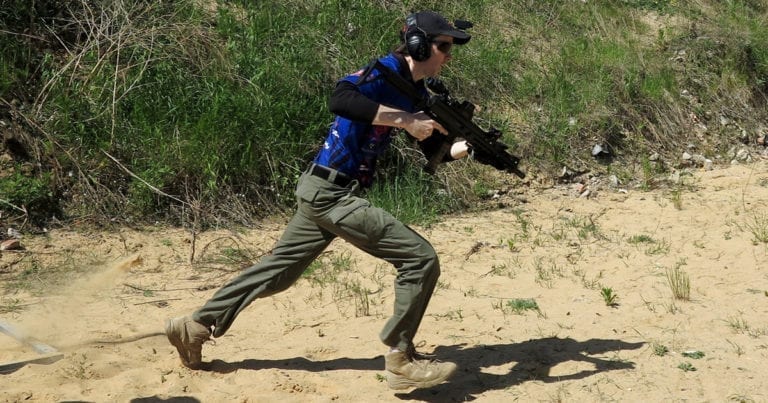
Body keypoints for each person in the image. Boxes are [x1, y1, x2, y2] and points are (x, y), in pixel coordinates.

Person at [165, 10, 473, 390]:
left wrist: (458, 146)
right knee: (419, 258)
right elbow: (341, 99)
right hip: (331, 192)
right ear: (418, 43)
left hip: (323, 190)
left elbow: (430, 146)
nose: (449, 55)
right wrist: (405, 120)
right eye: (443, 46)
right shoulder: (384, 71)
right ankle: (400, 358)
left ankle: (194, 326)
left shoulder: (415, 92)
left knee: (279, 273)